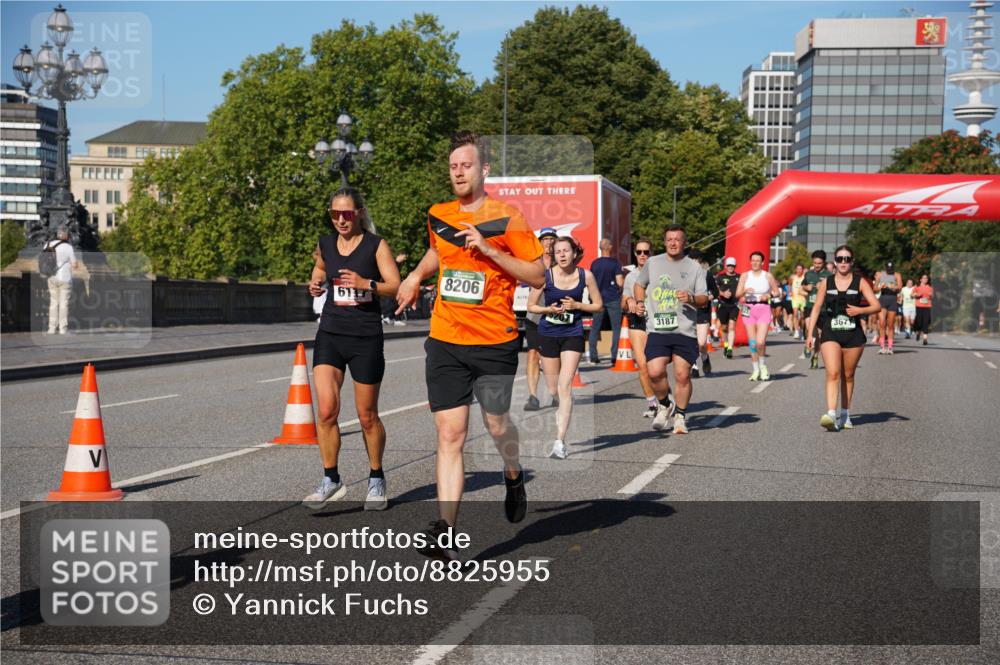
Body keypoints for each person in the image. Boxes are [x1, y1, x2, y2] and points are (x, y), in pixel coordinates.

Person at [395, 131, 544, 558]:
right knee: (450, 434)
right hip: (445, 339)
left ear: (484, 170)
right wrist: (413, 276)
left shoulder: (507, 218)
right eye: (454, 166)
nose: (459, 172)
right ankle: (445, 531)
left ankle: (512, 474)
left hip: (494, 342)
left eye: (467, 165)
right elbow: (438, 252)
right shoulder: (439, 213)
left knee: (497, 425)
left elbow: (536, 276)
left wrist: (491, 252)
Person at [304, 187, 402, 511]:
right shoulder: (326, 243)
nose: (340, 220)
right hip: (331, 333)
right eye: (335, 214)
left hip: (365, 338)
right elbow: (320, 269)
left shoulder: (376, 246)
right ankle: (331, 479)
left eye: (346, 214)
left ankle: (376, 477)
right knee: (327, 410)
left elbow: (395, 286)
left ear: (358, 212)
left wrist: (366, 284)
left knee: (367, 416)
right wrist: (315, 283)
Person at [527, 236, 602, 459]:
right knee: (553, 389)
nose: (561, 255)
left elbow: (598, 305)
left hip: (573, 334)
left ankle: (560, 441)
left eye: (565, 251)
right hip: (548, 334)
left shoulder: (585, 275)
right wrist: (547, 310)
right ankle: (563, 399)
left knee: (565, 384)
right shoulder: (546, 275)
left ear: (574, 253)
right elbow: (531, 305)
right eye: (557, 251)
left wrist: (578, 305)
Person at [634, 225, 708, 435]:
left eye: (677, 239)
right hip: (658, 327)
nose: (673, 243)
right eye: (669, 239)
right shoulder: (653, 262)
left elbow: (704, 298)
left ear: (684, 242)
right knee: (654, 372)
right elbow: (640, 284)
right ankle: (665, 404)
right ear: (664, 242)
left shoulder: (694, 268)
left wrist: (691, 298)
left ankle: (681, 416)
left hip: (684, 330)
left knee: (682, 374)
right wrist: (639, 301)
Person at [805, 245, 880, 431]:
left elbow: (876, 306)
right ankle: (831, 414)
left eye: (847, 259)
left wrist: (860, 310)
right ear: (835, 262)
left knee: (848, 375)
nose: (843, 262)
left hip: (853, 334)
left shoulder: (860, 282)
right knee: (833, 372)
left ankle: (845, 414)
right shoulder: (826, 282)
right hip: (830, 332)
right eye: (840, 259)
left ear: (852, 261)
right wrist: (809, 334)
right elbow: (816, 308)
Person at [623, 237, 673, 418]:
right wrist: (629, 301)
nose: (642, 255)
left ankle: (666, 398)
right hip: (638, 322)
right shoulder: (631, 276)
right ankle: (653, 404)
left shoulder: (661, 273)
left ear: (651, 254)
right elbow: (622, 301)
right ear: (635, 255)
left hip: (658, 321)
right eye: (639, 252)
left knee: (657, 368)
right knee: (643, 365)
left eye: (646, 252)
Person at [523, 228, 558, 411]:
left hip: (555, 315)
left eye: (552, 239)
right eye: (545, 239)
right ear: (540, 242)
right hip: (535, 315)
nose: (549, 242)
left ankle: (556, 393)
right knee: (532, 354)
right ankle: (533, 396)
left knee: (551, 357)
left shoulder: (561, 263)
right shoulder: (532, 262)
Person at [735, 251, 781, 382]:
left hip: (763, 308)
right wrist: (745, 290)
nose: (755, 262)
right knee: (753, 342)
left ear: (762, 262)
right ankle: (755, 369)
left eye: (758, 260)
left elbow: (777, 292)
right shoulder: (745, 276)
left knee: (760, 341)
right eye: (753, 260)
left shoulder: (767, 276)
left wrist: (769, 295)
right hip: (747, 309)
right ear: (750, 262)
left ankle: (763, 366)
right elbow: (737, 294)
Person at [587, 238, 624, 365]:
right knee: (616, 328)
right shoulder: (615, 263)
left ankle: (593, 356)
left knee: (595, 328)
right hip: (613, 298)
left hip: (598, 299)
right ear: (609, 247)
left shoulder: (594, 263)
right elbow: (620, 282)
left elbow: (589, 282)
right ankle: (614, 356)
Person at [687, 249, 718, 378]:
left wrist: (709, 297)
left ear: (700, 261)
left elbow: (715, 292)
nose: (694, 262)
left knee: (701, 343)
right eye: (692, 259)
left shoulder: (706, 274)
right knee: (690, 342)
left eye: (696, 259)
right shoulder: (684, 275)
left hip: (703, 312)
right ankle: (694, 367)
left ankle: (705, 357)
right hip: (688, 312)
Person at [800, 250, 831, 370]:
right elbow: (803, 285)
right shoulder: (809, 274)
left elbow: (834, 292)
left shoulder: (829, 275)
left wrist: (824, 287)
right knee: (810, 328)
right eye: (815, 263)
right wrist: (806, 287)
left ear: (823, 262)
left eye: (819, 263)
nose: (817, 265)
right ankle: (808, 344)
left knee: (819, 335)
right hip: (810, 306)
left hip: (823, 309)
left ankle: (816, 356)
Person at [43, 229, 78, 335]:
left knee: (53, 302)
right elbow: (74, 264)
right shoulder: (68, 247)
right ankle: (63, 329)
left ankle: (51, 328)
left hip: (51, 277)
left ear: (57, 235)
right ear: (66, 237)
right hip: (65, 278)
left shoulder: (47, 245)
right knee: (64, 303)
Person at [715, 257, 741, 359]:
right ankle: (726, 345)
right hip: (723, 304)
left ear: (735, 266)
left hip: (734, 305)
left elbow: (743, 288)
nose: (731, 267)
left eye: (732, 266)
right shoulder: (720, 277)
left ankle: (730, 349)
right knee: (724, 328)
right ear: (726, 266)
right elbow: (715, 290)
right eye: (729, 265)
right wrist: (723, 293)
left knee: (731, 327)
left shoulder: (739, 277)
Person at [875, 261, 903, 355]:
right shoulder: (879, 275)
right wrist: (880, 287)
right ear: (885, 267)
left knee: (890, 325)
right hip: (882, 299)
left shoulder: (897, 275)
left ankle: (890, 347)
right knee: (882, 323)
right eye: (888, 269)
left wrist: (892, 287)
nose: (889, 270)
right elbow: (874, 289)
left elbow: (900, 287)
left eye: (891, 269)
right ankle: (882, 347)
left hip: (892, 300)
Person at [912, 274, 934, 345]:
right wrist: (916, 295)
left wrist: (931, 295)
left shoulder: (930, 287)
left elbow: (934, 296)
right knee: (919, 322)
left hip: (927, 306)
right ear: (920, 279)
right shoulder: (917, 287)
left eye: (926, 278)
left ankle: (925, 339)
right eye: (924, 278)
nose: (925, 279)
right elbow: (911, 295)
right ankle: (918, 332)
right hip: (919, 306)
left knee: (926, 322)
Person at [790, 264, 806, 339]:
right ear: (796, 270)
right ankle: (796, 331)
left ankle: (802, 330)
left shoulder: (805, 277)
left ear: (802, 270)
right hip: (795, 298)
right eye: (798, 269)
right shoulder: (793, 277)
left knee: (803, 317)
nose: (799, 270)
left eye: (800, 269)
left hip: (803, 298)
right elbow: (789, 284)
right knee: (795, 314)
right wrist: (790, 292)